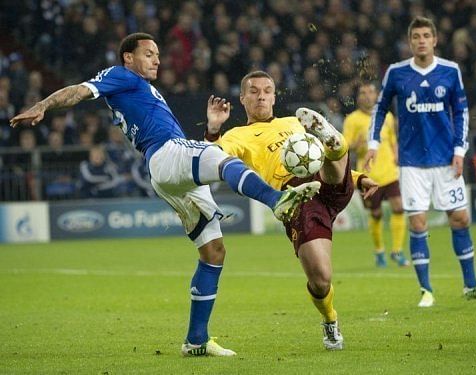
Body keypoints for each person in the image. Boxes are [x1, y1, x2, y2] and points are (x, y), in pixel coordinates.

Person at [9, 33, 321, 357]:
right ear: (128, 57)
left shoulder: (141, 87)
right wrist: (43, 105)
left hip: (167, 171)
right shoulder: (121, 76)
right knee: (219, 158)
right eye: (148, 53)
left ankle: (196, 341)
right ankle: (277, 200)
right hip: (166, 153)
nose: (157, 59)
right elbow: (79, 91)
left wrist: (212, 128)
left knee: (214, 251)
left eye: (157, 54)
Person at [205, 70, 379, 350]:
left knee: (328, 150)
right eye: (253, 91)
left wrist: (359, 178)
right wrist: (213, 128)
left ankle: (335, 144)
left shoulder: (294, 123)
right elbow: (209, 159)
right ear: (242, 98)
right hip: (296, 198)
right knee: (321, 279)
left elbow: (315, 157)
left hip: (325, 179)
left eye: (266, 90)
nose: (261, 95)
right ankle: (330, 320)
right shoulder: (237, 136)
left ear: (274, 96)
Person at [364, 17, 476, 307]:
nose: (421, 40)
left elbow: (462, 112)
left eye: (426, 35)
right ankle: (426, 290)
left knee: (460, 218)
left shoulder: (450, 71)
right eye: (416, 36)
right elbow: (379, 109)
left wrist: (459, 151)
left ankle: (471, 285)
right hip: (412, 163)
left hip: (446, 160)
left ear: (435, 40)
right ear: (410, 41)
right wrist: (373, 144)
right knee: (417, 222)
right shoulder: (397, 73)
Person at [343, 82, 408, 268]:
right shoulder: (352, 120)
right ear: (358, 97)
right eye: (363, 92)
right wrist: (357, 143)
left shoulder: (386, 116)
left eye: (370, 92)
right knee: (376, 213)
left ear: (377, 95)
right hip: (368, 175)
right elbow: (345, 146)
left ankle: (397, 251)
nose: (367, 95)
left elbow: (393, 139)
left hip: (389, 172)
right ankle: (379, 251)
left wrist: (396, 153)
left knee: (398, 207)